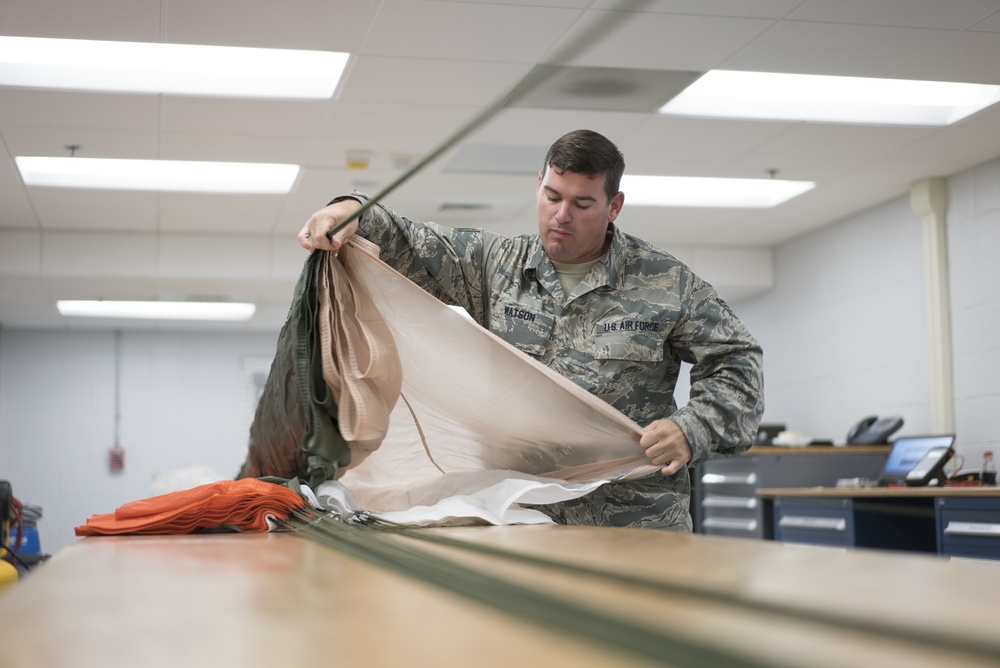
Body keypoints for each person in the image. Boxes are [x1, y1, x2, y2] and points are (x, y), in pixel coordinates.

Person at [299, 129, 764, 531]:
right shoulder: (495, 264)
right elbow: (410, 241)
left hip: (632, 517)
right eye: (552, 196)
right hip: (519, 511)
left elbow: (736, 361)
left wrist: (694, 427)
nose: (562, 215)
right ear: (537, 186)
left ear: (614, 206)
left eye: (582, 203)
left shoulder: (666, 283)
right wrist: (350, 208)